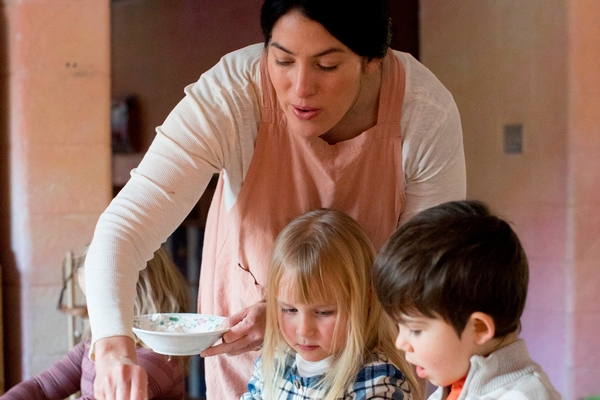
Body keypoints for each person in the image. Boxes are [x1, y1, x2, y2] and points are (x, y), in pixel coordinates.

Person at [85, 0, 466, 398]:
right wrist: (112, 349)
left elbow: (428, 276)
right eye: (283, 61)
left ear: (373, 59)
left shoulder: (424, 113)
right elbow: (123, 230)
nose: (300, 89)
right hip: (251, 369)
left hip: (373, 370)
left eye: (327, 66)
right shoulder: (231, 96)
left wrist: (294, 313)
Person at [372, 200, 562, 400]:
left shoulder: (525, 396)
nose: (401, 343)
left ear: (478, 328)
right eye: (399, 325)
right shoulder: (451, 389)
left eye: (415, 329)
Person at [241, 208, 419, 400]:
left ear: (366, 300)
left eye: (324, 312)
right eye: (289, 309)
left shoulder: (378, 384)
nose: (303, 330)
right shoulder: (273, 363)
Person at [1, 246, 189, 400]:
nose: (90, 310)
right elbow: (42, 387)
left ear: (133, 296)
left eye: (94, 300)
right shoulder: (91, 347)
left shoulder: (157, 359)